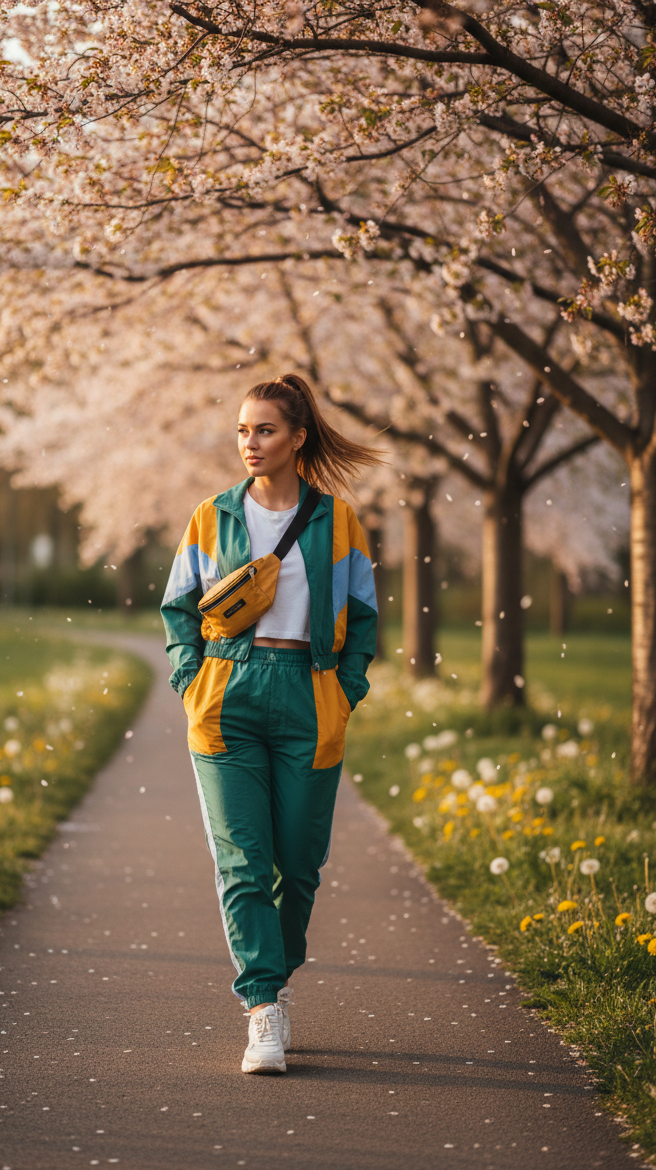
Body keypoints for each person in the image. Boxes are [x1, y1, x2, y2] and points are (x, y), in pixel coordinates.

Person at [161, 374, 380, 1074]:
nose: (249, 443)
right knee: (243, 862)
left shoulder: (337, 521)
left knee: (300, 865)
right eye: (242, 431)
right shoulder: (210, 516)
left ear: (297, 438)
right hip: (226, 694)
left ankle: (275, 975)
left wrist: (345, 689)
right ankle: (262, 1005)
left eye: (264, 430)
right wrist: (190, 678)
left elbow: (365, 615)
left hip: (309, 698)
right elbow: (178, 609)